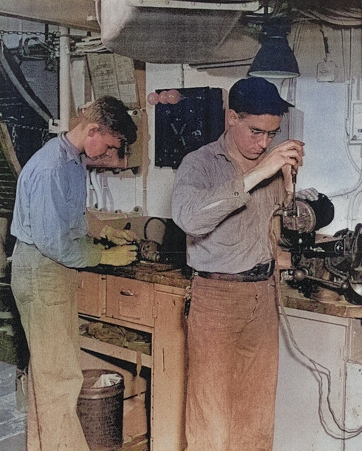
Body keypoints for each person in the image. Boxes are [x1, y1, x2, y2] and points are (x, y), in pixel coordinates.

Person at [171, 77, 318, 451]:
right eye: (256, 131)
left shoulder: (269, 165)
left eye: (271, 134)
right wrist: (258, 173)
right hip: (217, 299)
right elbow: (189, 219)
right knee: (212, 418)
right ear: (231, 116)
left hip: (263, 296)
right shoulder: (200, 164)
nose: (264, 143)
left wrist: (290, 187)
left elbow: (279, 227)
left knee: (255, 416)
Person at [10, 95, 139, 451]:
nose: (105, 155)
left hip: (51, 269)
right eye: (108, 146)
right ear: (93, 130)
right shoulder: (52, 166)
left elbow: (72, 217)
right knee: (60, 378)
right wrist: (104, 257)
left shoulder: (70, 162)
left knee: (49, 372)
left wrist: (104, 231)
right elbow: (57, 244)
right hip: (43, 269)